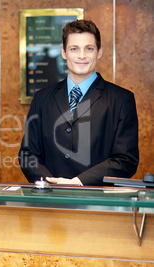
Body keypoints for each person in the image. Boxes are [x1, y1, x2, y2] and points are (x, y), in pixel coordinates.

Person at [18, 20, 139, 186]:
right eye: (74, 49)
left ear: (99, 52)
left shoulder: (121, 100)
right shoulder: (42, 98)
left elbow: (126, 160)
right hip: (51, 202)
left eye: (89, 49)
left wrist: (79, 182)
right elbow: (28, 155)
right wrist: (52, 184)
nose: (82, 56)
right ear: (64, 52)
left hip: (99, 204)